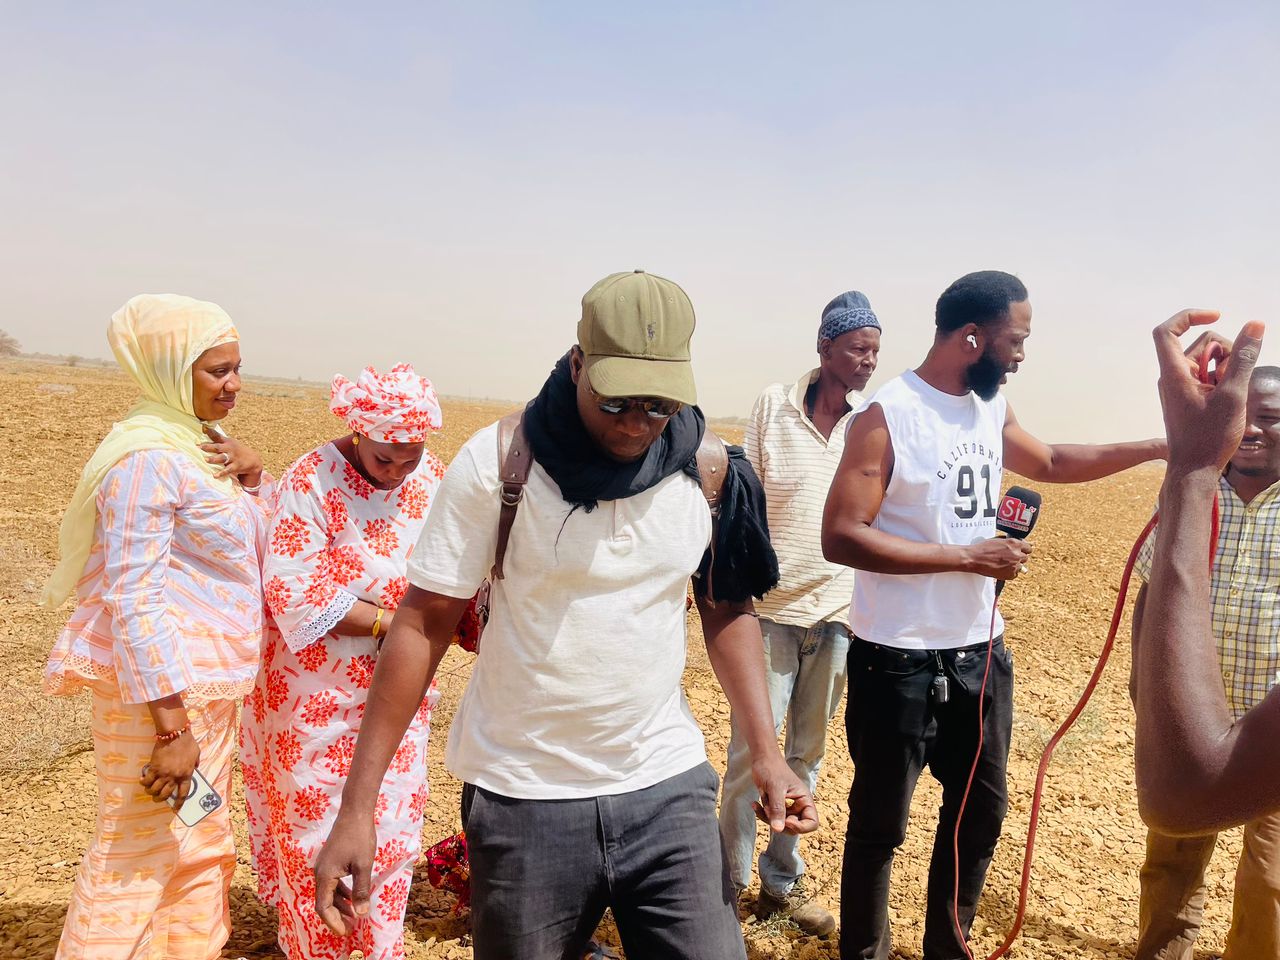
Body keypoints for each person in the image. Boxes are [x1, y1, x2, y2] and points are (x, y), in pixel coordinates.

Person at [314, 269, 819, 960]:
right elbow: (423, 622)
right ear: (578, 364)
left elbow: (727, 607)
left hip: (664, 787)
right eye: (616, 403)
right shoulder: (501, 464)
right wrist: (357, 808)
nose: (638, 424)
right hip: (525, 799)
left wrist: (767, 755)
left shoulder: (705, 471)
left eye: (659, 404)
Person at [822, 270, 1168, 960]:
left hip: (981, 655)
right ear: (972, 336)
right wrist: (965, 557)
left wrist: (1162, 446)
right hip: (896, 660)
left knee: (978, 818)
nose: (1022, 354)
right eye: (1018, 339)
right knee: (878, 829)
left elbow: (1052, 459)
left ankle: (947, 950)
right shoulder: (889, 416)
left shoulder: (990, 407)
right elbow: (842, 535)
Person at [42, 294, 270, 960]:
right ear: (170, 370)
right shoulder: (145, 460)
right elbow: (134, 599)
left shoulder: (201, 445)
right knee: (136, 854)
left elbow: (239, 556)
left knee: (197, 840)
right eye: (216, 371)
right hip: (161, 703)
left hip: (210, 692)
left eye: (236, 368)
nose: (234, 385)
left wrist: (252, 479)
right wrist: (172, 730)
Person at [239, 363, 446, 960]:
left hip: (400, 685)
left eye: (412, 455)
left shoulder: (429, 478)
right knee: (318, 830)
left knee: (392, 821)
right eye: (387, 458)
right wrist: (392, 623)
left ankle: (379, 948)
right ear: (358, 431)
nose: (399, 471)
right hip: (315, 694)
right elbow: (292, 590)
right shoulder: (312, 479)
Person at [719, 289, 880, 936]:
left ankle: (780, 883)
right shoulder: (773, 406)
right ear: (825, 348)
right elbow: (745, 497)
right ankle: (726, 888)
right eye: (857, 348)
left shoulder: (874, 419)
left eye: (875, 349)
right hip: (770, 611)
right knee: (746, 755)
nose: (869, 361)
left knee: (808, 756)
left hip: (838, 615)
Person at [1129, 363, 1280, 960]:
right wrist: (1147, 684)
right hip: (1189, 722)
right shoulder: (1192, 492)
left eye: (1270, 419)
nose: (1252, 431)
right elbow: (1152, 590)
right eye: (1242, 417)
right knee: (1171, 862)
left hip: (1270, 734)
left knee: (1270, 879)